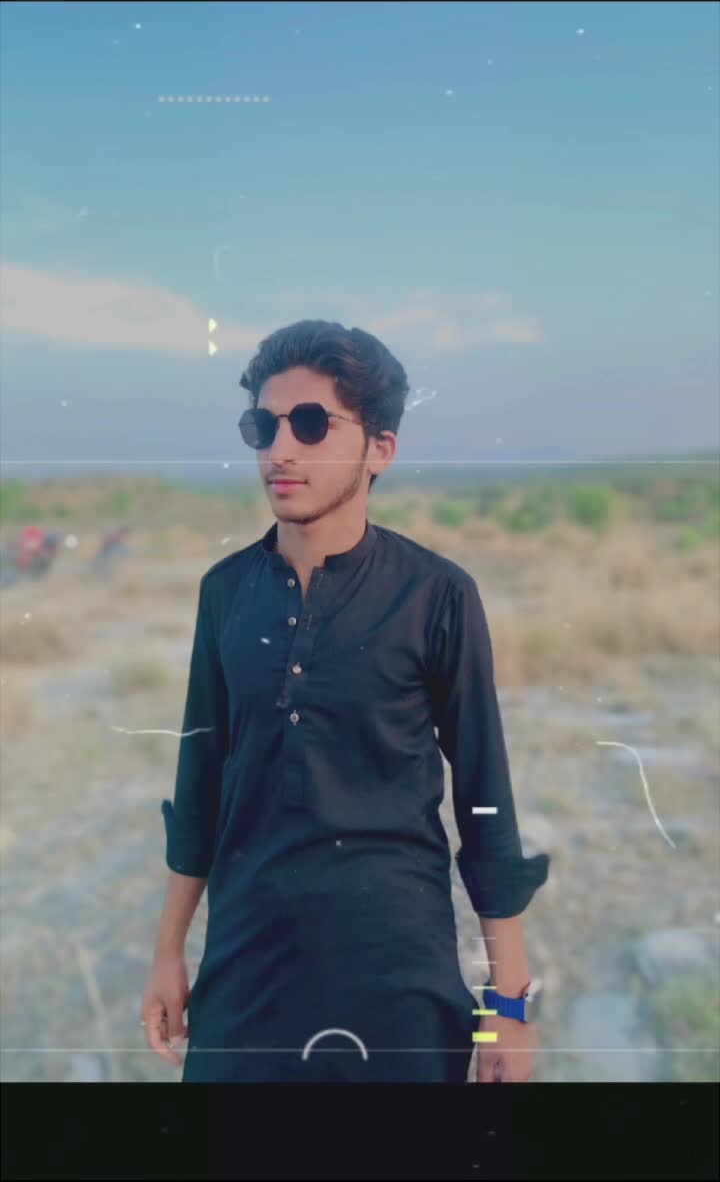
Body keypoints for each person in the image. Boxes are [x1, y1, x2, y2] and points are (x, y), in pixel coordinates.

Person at [142, 319, 550, 1083]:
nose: (280, 450)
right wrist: (169, 952)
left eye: (310, 424)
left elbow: (485, 801)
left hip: (399, 982)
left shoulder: (437, 597)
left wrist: (509, 1005)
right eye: (263, 426)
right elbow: (199, 786)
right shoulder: (224, 593)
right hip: (246, 975)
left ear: (380, 449)